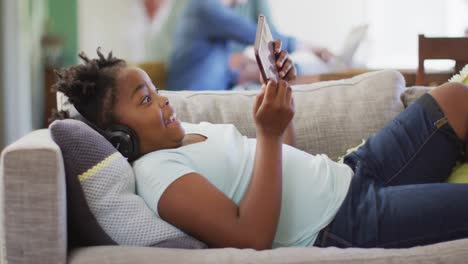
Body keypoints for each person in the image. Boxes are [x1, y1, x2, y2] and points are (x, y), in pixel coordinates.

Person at [52, 42, 468, 250]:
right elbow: (251, 237)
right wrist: (267, 134)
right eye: (145, 100)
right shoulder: (159, 176)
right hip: (343, 222)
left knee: (452, 101)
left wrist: (279, 98)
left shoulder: (186, 130)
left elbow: (275, 165)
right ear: (120, 138)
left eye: (155, 90)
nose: (163, 100)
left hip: (353, 171)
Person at [167, 0, 332, 91]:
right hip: (192, 100)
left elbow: (213, 67)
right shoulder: (206, 7)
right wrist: (315, 48)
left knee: (293, 80)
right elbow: (262, 39)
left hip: (203, 92)